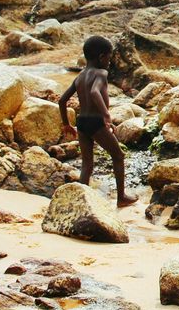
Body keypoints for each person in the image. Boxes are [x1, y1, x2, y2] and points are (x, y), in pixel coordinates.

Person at [58, 36, 137, 207]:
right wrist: (106, 116)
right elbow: (95, 92)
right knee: (118, 156)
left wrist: (66, 124)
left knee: (87, 164)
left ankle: (79, 202)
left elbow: (62, 101)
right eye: (109, 58)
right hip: (96, 122)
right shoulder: (101, 73)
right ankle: (121, 197)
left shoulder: (79, 77)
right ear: (102, 57)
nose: (109, 62)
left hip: (82, 122)